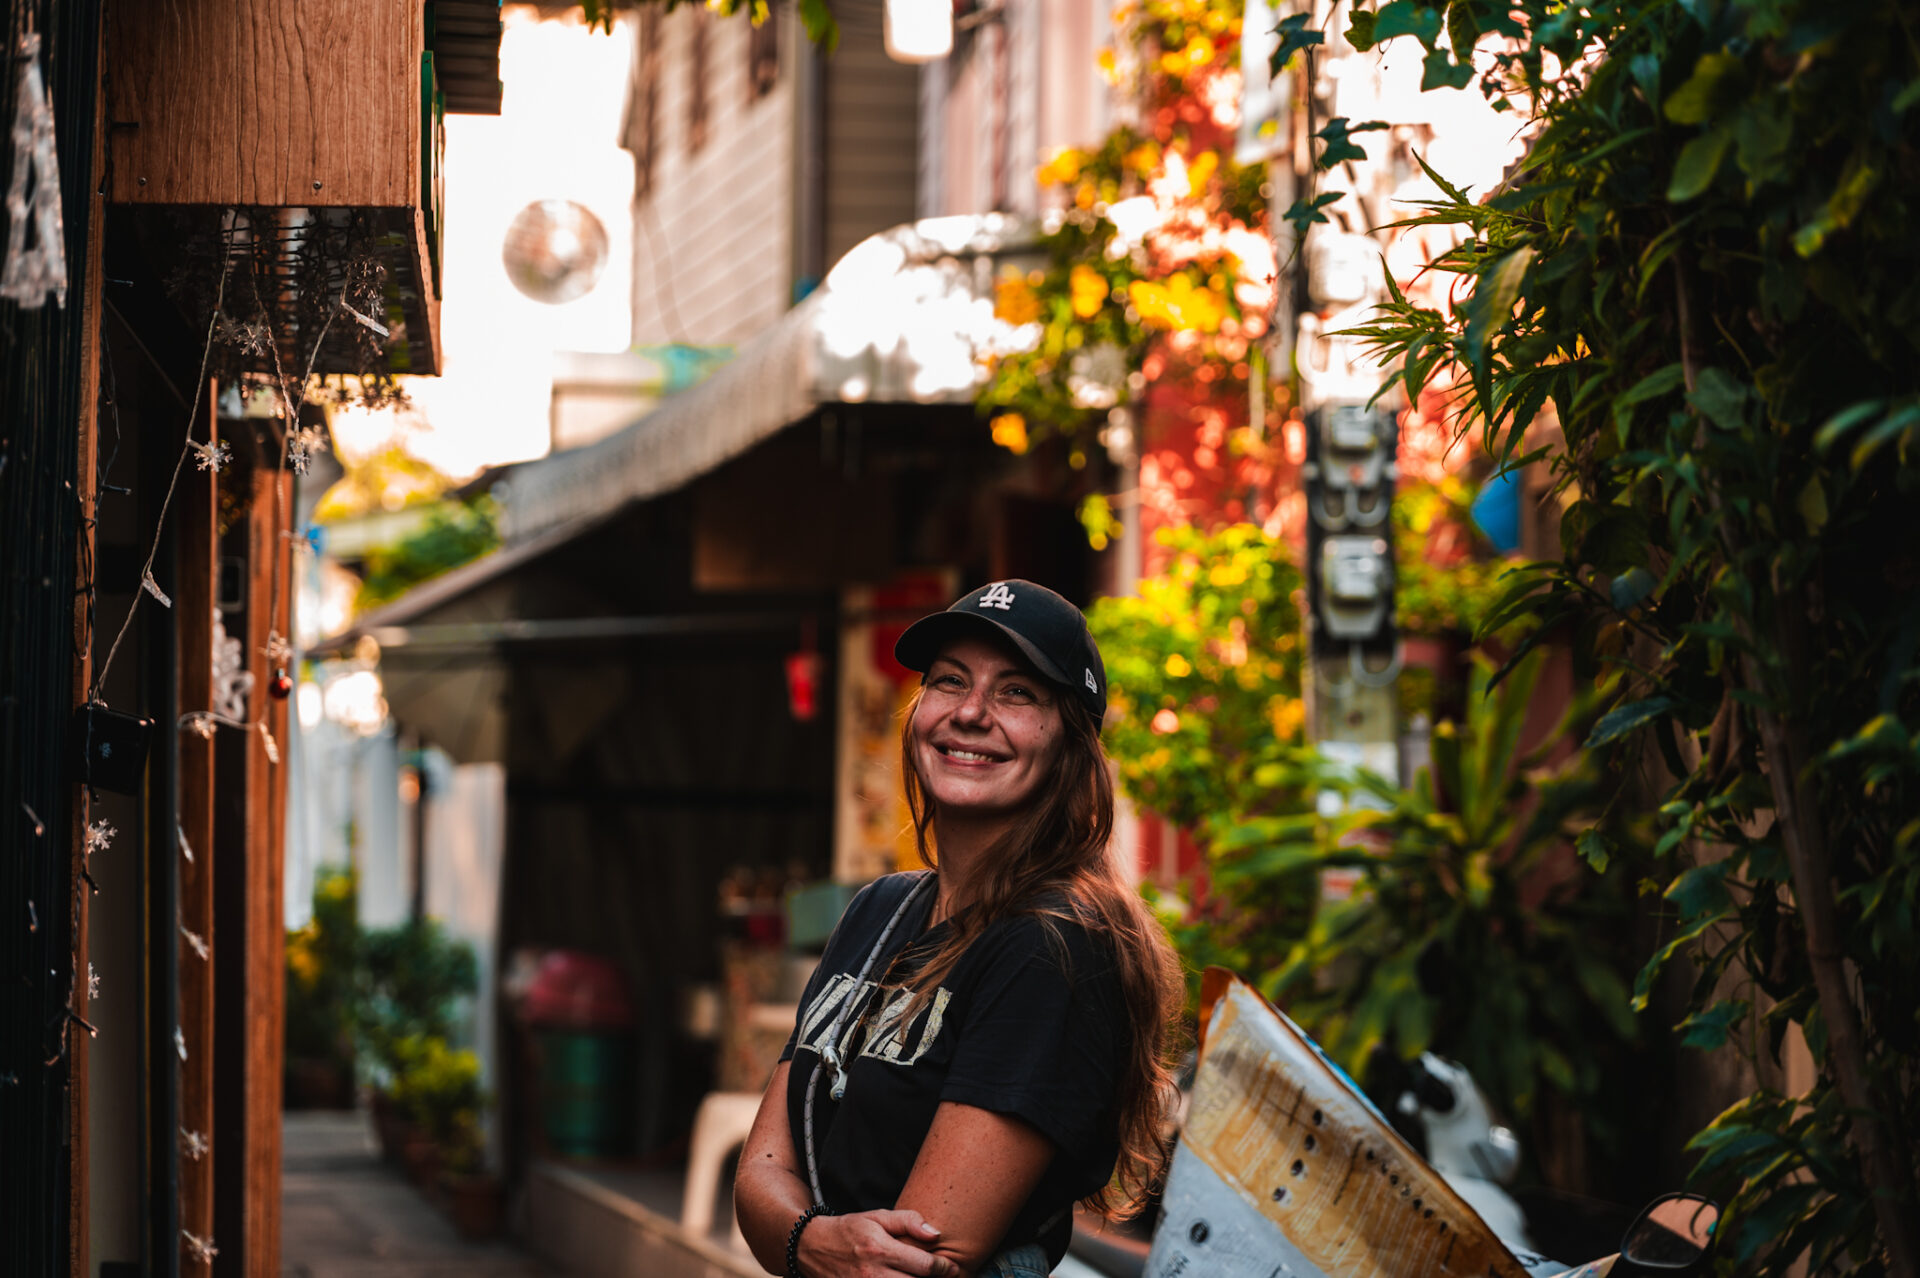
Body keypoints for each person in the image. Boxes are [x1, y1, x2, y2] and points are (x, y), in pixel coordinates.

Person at [735, 579, 1185, 1278]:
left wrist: (797, 1236)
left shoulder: (1054, 946)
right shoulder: (878, 911)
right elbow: (761, 1168)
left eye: (1017, 693)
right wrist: (814, 1243)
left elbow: (919, 1259)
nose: (971, 713)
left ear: (1070, 741)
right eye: (950, 682)